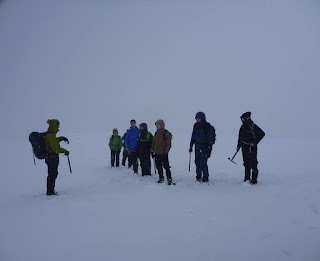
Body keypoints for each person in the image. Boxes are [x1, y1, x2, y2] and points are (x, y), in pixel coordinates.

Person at [236, 112, 265, 184]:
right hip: (244, 147)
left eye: (243, 119)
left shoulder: (253, 126)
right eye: (241, 119)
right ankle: (247, 178)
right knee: (246, 163)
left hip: (252, 148)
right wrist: (238, 146)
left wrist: (255, 142)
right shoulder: (242, 127)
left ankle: (254, 180)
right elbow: (240, 137)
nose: (242, 120)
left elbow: (262, 134)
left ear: (247, 118)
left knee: (253, 163)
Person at [44, 119, 69, 195]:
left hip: (51, 158)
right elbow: (55, 148)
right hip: (52, 158)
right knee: (52, 174)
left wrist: (61, 138)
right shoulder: (50, 136)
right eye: (58, 125)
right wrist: (65, 151)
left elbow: (54, 142)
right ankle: (50, 191)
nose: (58, 126)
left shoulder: (51, 135)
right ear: (54, 126)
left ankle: (51, 190)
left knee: (53, 174)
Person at [189, 112, 215, 183]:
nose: (197, 120)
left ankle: (205, 177)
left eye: (198, 119)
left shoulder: (207, 126)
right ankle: (198, 176)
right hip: (197, 146)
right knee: (197, 162)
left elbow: (210, 139)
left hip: (204, 146)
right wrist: (191, 145)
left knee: (203, 162)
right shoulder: (195, 126)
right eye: (196, 119)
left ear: (202, 118)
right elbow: (193, 135)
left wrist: (209, 149)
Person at [152, 119, 173, 185]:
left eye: (158, 125)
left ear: (162, 125)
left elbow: (168, 144)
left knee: (166, 166)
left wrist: (166, 151)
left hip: (163, 153)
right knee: (158, 166)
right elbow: (153, 142)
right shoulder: (156, 133)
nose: (157, 127)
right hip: (157, 152)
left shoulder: (166, 133)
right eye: (156, 125)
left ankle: (169, 178)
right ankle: (161, 177)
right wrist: (152, 150)